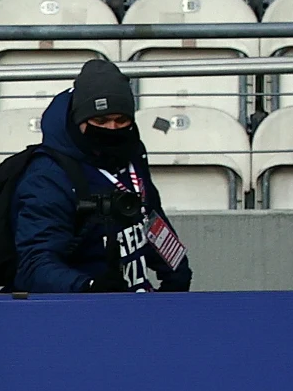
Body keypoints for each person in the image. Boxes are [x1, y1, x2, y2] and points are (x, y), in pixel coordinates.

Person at [13, 59, 193, 293]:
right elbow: (34, 264)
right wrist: (89, 287)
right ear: (79, 120)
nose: (111, 128)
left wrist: (176, 271)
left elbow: (150, 215)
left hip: (135, 302)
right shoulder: (49, 175)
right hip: (79, 308)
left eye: (121, 120)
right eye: (100, 121)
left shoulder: (132, 153)